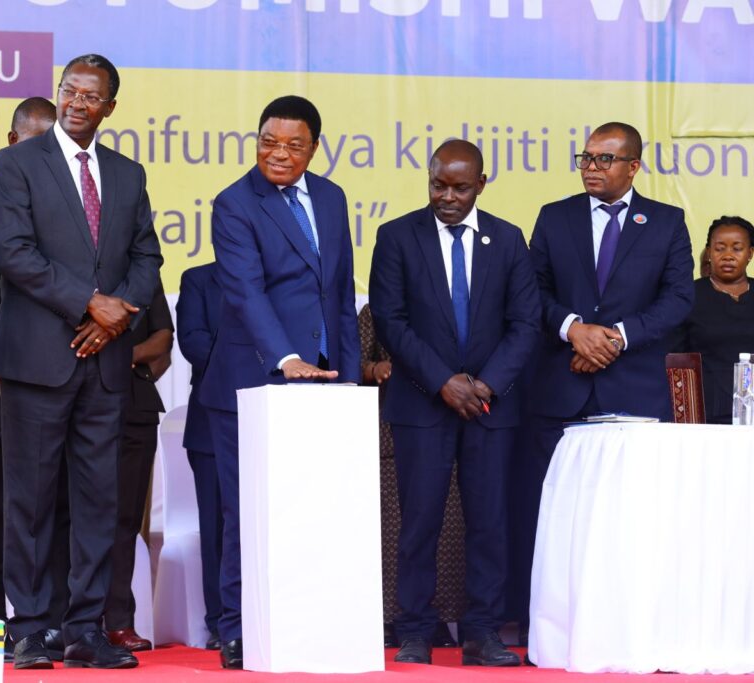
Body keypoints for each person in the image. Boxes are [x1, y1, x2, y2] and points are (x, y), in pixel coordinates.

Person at [0, 54, 163, 670]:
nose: (77, 103)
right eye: (70, 90)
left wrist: (117, 315)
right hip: (37, 360)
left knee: (98, 501)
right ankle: (31, 628)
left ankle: (84, 629)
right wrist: (91, 303)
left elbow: (146, 258)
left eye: (91, 96)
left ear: (110, 107)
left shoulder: (128, 174)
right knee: (31, 502)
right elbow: (14, 253)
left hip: (105, 363)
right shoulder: (16, 163)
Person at [198, 95, 360, 669]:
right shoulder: (234, 203)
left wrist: (350, 381)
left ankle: (306, 620)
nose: (279, 153)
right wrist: (286, 357)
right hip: (251, 381)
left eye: (294, 145)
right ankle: (237, 628)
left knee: (315, 510)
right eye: (269, 141)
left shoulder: (332, 197)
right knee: (247, 513)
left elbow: (340, 293)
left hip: (325, 387)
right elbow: (244, 291)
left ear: (315, 148)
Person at [369, 139, 539, 666]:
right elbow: (391, 321)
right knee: (419, 522)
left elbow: (525, 323)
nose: (447, 196)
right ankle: (415, 630)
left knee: (489, 522)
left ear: (481, 184)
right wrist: (443, 381)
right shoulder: (397, 236)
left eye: (460, 188)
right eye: (438, 184)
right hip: (422, 404)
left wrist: (486, 384)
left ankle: (482, 631)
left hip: (490, 406)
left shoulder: (508, 239)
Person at [0, 97, 68, 659]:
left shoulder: (57, 195)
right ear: (11, 142)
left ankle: (42, 618)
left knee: (43, 498)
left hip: (47, 371)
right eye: (36, 142)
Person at [528, 121, 694, 462]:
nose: (591, 167)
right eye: (586, 158)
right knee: (556, 493)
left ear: (633, 167)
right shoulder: (554, 217)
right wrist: (573, 330)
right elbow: (532, 290)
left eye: (605, 159)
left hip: (636, 394)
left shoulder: (667, 222)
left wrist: (616, 339)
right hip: (562, 390)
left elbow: (678, 298)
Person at [357, 304, 464, 650]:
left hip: (454, 420)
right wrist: (376, 369)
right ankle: (393, 618)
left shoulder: (459, 305)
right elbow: (353, 362)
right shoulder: (377, 312)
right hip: (395, 434)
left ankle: (438, 619)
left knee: (448, 533)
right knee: (399, 532)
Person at [104, 280, 174, 651]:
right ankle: (72, 619)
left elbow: (163, 339)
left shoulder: (143, 272)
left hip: (136, 405)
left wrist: (121, 356)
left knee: (125, 520)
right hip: (78, 403)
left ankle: (118, 619)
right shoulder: (69, 264)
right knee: (76, 516)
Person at [176, 262, 224, 650]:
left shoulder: (276, 277)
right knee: (216, 527)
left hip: (269, 415)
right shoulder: (199, 280)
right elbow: (193, 342)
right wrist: (247, 366)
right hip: (211, 420)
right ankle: (223, 622)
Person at [672, 216, 754, 424]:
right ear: (709, 253)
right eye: (719, 249)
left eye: (737, 249)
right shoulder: (687, 296)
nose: (728, 256)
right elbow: (674, 357)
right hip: (706, 413)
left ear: (750, 254)